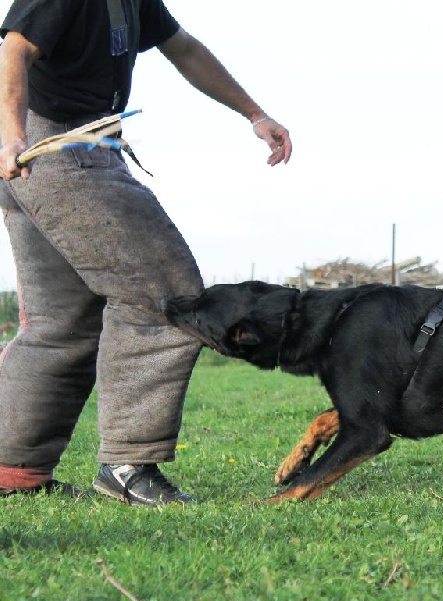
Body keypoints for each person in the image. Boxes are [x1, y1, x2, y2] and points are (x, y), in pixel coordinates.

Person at [0, 0, 291, 505]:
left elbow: (183, 48)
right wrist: (13, 136)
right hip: (53, 150)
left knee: (60, 323)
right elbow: (14, 47)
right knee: (168, 298)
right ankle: (128, 465)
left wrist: (255, 114)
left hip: (70, 146)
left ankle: (12, 472)